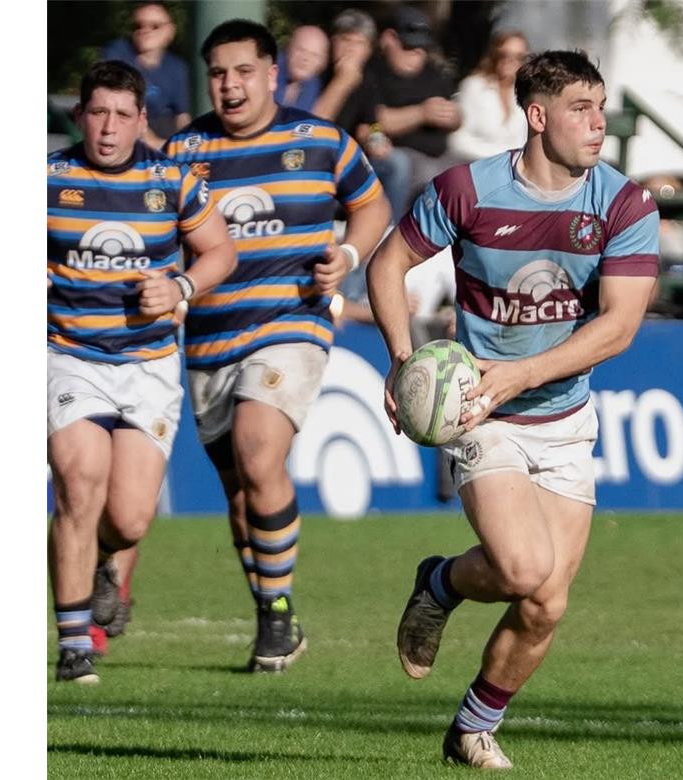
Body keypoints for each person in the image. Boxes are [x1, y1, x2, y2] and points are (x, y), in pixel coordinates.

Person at [368, 50, 659, 769]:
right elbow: (387, 263)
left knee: (545, 603)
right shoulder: (469, 189)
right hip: (480, 409)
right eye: (580, 110)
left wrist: (523, 372)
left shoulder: (625, 204)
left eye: (601, 108)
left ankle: (471, 724)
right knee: (527, 569)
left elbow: (618, 328)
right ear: (537, 116)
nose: (598, 124)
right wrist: (405, 361)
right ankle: (441, 585)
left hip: (564, 416)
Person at [163, 19, 391, 672]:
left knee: (259, 451)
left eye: (243, 71)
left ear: (272, 73)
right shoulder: (184, 150)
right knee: (240, 494)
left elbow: (371, 207)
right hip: (208, 339)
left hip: (292, 325)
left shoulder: (320, 141)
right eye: (218, 74)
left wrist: (346, 253)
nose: (230, 86)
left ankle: (278, 609)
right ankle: (273, 613)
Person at [47, 60, 236, 683]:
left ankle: (104, 561)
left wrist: (181, 285)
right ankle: (74, 643)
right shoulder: (47, 179)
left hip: (150, 365)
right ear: (79, 116)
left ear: (141, 121)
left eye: (122, 115)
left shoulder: (174, 180)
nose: (108, 128)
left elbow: (220, 252)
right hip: (68, 355)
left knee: (128, 517)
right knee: (80, 480)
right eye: (97, 113)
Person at [357, 6, 465, 219]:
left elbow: (457, 116)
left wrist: (454, 118)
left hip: (441, 155)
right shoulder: (374, 73)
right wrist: (421, 113)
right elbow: (375, 120)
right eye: (409, 46)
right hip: (401, 154)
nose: (417, 53)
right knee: (407, 167)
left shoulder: (434, 74)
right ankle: (392, 235)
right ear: (389, 39)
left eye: (422, 47)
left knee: (474, 171)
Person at [101, 1, 192, 148]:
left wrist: (185, 145)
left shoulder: (177, 67)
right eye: (137, 25)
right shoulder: (117, 55)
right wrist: (156, 143)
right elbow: (120, 109)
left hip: (164, 133)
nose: (144, 30)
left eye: (154, 26)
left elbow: (182, 115)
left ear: (170, 31)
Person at [447, 31, 529, 160]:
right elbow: (457, 140)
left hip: (512, 168)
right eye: (504, 54)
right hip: (474, 164)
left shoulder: (526, 93)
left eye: (519, 57)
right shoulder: (473, 87)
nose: (510, 61)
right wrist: (497, 158)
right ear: (494, 55)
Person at [276, 25, 328, 111]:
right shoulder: (267, 69)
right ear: (289, 48)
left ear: (322, 63)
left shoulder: (313, 85)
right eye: (301, 50)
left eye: (314, 55)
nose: (305, 59)